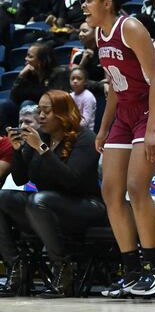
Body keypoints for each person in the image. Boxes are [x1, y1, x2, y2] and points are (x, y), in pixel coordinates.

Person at [83, 0, 155, 297]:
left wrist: (152, 129)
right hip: (125, 113)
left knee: (136, 186)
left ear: (107, 4)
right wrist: (102, 128)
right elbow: (113, 87)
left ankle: (154, 271)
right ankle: (132, 271)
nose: (83, 5)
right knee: (111, 191)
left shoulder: (131, 27)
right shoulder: (99, 34)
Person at [0, 90, 105, 297]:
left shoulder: (85, 138)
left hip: (86, 207)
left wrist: (42, 149)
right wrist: (17, 152)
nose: (40, 116)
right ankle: (16, 265)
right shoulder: (40, 138)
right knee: (3, 197)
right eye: (39, 111)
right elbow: (21, 180)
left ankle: (63, 268)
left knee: (39, 200)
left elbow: (71, 180)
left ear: (62, 113)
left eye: (46, 111)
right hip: (43, 209)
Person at [10, 42, 70, 108]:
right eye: (27, 55)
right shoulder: (27, 74)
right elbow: (14, 99)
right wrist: (20, 76)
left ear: (43, 61)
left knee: (27, 104)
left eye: (30, 56)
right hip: (33, 110)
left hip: (51, 110)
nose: (26, 59)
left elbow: (53, 99)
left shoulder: (59, 73)